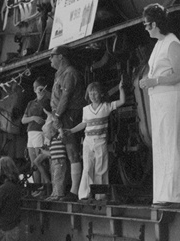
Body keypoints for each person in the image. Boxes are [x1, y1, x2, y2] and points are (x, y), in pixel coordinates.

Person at [138, 4, 180, 207]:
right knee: (160, 147)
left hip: (171, 99)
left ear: (156, 23)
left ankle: (174, 196)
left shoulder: (172, 43)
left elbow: (179, 74)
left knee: (171, 145)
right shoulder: (159, 44)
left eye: (147, 25)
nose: (146, 29)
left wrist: (154, 81)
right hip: (159, 101)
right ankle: (161, 195)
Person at [66, 79, 126, 201]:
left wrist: (120, 89)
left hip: (101, 141)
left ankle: (101, 195)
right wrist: (71, 130)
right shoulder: (86, 109)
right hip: (88, 142)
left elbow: (122, 101)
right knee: (87, 168)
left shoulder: (106, 106)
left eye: (95, 93)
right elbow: (83, 124)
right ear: (88, 95)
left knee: (101, 168)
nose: (93, 96)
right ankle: (84, 194)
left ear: (101, 94)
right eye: (90, 93)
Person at [48, 46, 85, 201]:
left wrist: (57, 115)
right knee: (67, 152)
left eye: (52, 56)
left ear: (61, 57)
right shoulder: (62, 74)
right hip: (64, 115)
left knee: (72, 152)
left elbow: (66, 96)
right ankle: (68, 189)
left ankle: (74, 191)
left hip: (68, 115)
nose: (50, 59)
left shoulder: (69, 73)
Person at [21, 77, 50, 196]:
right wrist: (33, 118)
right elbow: (23, 120)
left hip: (40, 132)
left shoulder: (47, 101)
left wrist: (44, 93)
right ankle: (37, 188)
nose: (35, 89)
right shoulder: (31, 103)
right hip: (30, 132)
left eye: (38, 87)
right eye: (34, 87)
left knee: (40, 161)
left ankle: (44, 188)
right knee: (34, 163)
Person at [35, 112, 68, 200]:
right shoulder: (51, 141)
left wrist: (43, 151)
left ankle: (59, 194)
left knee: (58, 178)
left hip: (59, 161)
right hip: (54, 162)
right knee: (54, 178)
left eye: (46, 133)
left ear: (52, 131)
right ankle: (54, 194)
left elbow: (50, 153)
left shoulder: (58, 138)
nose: (45, 135)